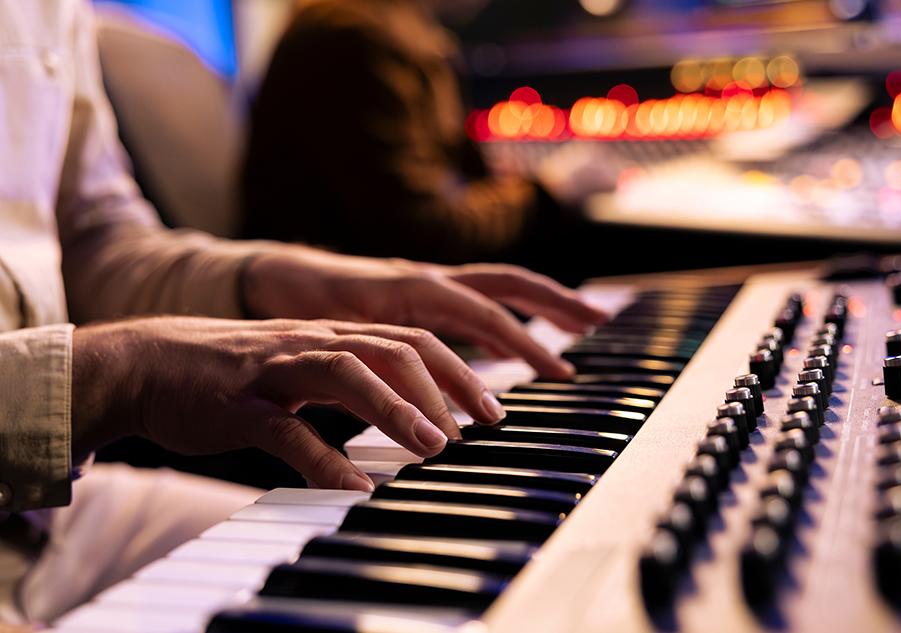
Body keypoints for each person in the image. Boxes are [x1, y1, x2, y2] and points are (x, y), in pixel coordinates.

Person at [0, 0, 607, 626]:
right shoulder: (351, 38)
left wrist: (292, 277)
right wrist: (121, 372)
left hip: (57, 511)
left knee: (488, 574)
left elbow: (99, 241)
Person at [241, 0, 574, 267]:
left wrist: (513, 188)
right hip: (349, 305)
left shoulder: (406, 31)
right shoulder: (350, 34)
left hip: (389, 289)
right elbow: (420, 233)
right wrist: (546, 189)